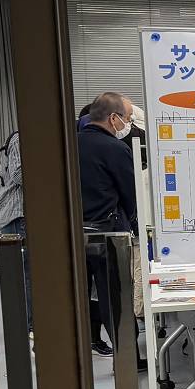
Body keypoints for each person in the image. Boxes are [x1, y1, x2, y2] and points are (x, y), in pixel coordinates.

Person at [78, 92, 137, 357]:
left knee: (80, 296)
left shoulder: (70, 144)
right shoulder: (115, 148)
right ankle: (126, 357)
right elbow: (130, 194)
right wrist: (133, 221)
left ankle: (84, 347)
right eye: (127, 118)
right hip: (109, 234)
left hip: (73, 234)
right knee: (115, 297)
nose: (128, 124)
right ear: (114, 118)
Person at [0, 129, 32, 330]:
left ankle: (26, 324)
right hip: (17, 215)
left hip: (17, 216)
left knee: (23, 274)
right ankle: (30, 325)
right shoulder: (19, 138)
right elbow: (19, 175)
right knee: (25, 274)